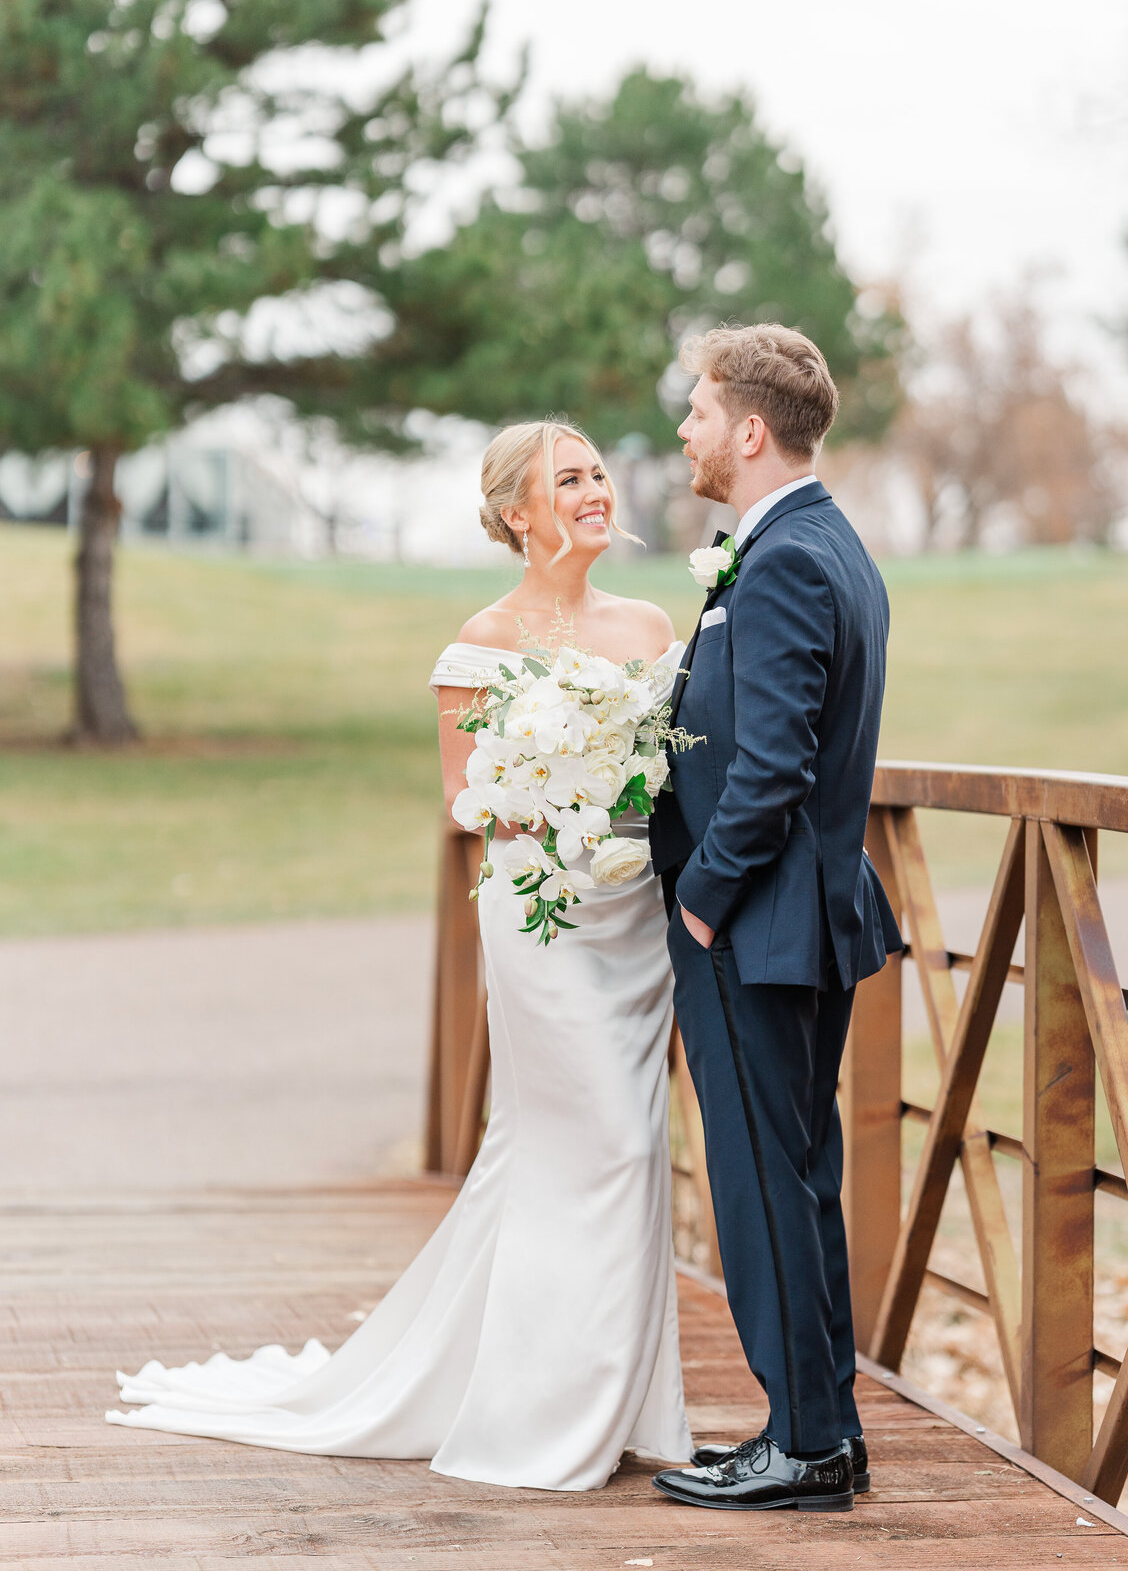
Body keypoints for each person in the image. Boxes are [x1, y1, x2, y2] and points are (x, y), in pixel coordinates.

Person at [106, 418, 693, 1492]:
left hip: (633, 923)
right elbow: (465, 799)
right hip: (542, 917)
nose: (596, 489)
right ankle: (544, 1416)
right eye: (569, 479)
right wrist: (560, 805)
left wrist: (631, 823)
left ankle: (603, 1401)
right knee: (593, 1138)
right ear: (518, 513)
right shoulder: (483, 638)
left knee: (623, 1146)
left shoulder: (653, 625)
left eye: (599, 472)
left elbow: (678, 780)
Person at [648, 323, 903, 1515]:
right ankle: (823, 1432)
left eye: (698, 412)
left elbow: (773, 767)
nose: (686, 432)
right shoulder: (816, 543)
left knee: (762, 1188)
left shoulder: (791, 559)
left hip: (755, 928)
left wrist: (698, 905)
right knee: (794, 1180)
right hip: (792, 921)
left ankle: (800, 1445)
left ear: (751, 430)